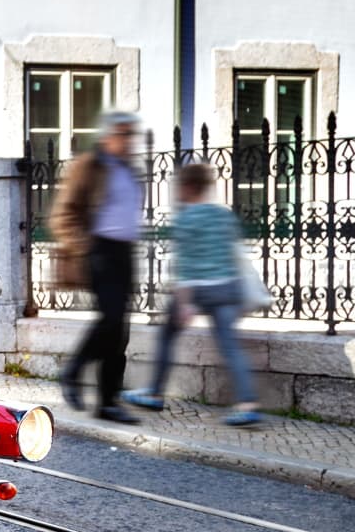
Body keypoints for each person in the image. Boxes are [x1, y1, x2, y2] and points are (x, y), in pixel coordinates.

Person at [124, 162, 260, 426]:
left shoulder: (186, 219)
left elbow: (184, 266)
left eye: (179, 186)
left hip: (198, 289)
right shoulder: (223, 215)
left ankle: (154, 392)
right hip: (228, 287)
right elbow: (236, 254)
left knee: (167, 336)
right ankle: (248, 404)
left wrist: (185, 305)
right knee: (230, 346)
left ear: (188, 187)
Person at [52, 110, 145, 423]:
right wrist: (86, 247)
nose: (129, 140)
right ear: (107, 137)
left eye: (131, 135)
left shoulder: (130, 170)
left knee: (121, 328)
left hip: (125, 252)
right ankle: (78, 373)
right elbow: (63, 215)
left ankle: (107, 399)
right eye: (123, 134)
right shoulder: (88, 167)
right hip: (99, 250)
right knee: (111, 321)